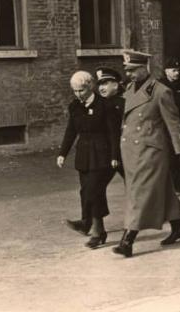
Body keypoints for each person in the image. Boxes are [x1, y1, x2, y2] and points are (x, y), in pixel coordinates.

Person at [113, 50, 180, 258]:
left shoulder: (161, 91)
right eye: (127, 70)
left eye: (133, 70)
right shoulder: (129, 90)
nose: (129, 74)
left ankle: (127, 240)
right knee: (160, 189)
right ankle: (179, 227)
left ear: (143, 68)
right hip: (131, 151)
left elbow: (174, 124)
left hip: (150, 151)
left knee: (139, 194)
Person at [57, 71, 119, 248]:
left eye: (81, 90)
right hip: (84, 156)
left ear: (90, 87)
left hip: (102, 155)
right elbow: (71, 131)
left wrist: (114, 156)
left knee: (93, 191)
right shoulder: (75, 107)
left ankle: (95, 229)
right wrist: (62, 153)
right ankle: (90, 225)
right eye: (75, 91)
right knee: (86, 191)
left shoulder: (105, 106)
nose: (78, 94)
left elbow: (114, 133)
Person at [161, 57, 180, 193]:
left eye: (178, 70)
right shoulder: (160, 86)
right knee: (170, 156)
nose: (177, 73)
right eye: (174, 70)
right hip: (166, 126)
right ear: (166, 71)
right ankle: (172, 185)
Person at [96, 67, 126, 180]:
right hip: (104, 153)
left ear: (115, 85)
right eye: (99, 84)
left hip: (122, 152)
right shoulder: (100, 103)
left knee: (133, 184)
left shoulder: (124, 103)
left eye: (105, 83)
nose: (101, 88)